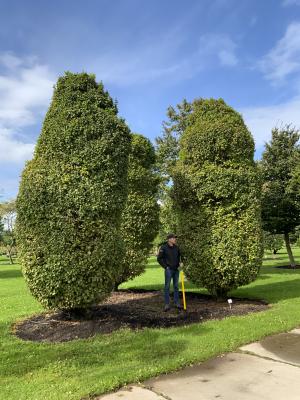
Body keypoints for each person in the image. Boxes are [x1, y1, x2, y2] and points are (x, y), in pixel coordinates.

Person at [157, 233, 181, 311]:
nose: (175, 239)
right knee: (167, 287)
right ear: (169, 239)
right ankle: (167, 304)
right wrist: (166, 267)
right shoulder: (163, 248)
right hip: (169, 270)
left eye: (175, 238)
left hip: (176, 270)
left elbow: (179, 257)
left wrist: (180, 263)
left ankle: (176, 302)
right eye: (174, 238)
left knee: (176, 286)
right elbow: (159, 259)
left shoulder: (177, 248)